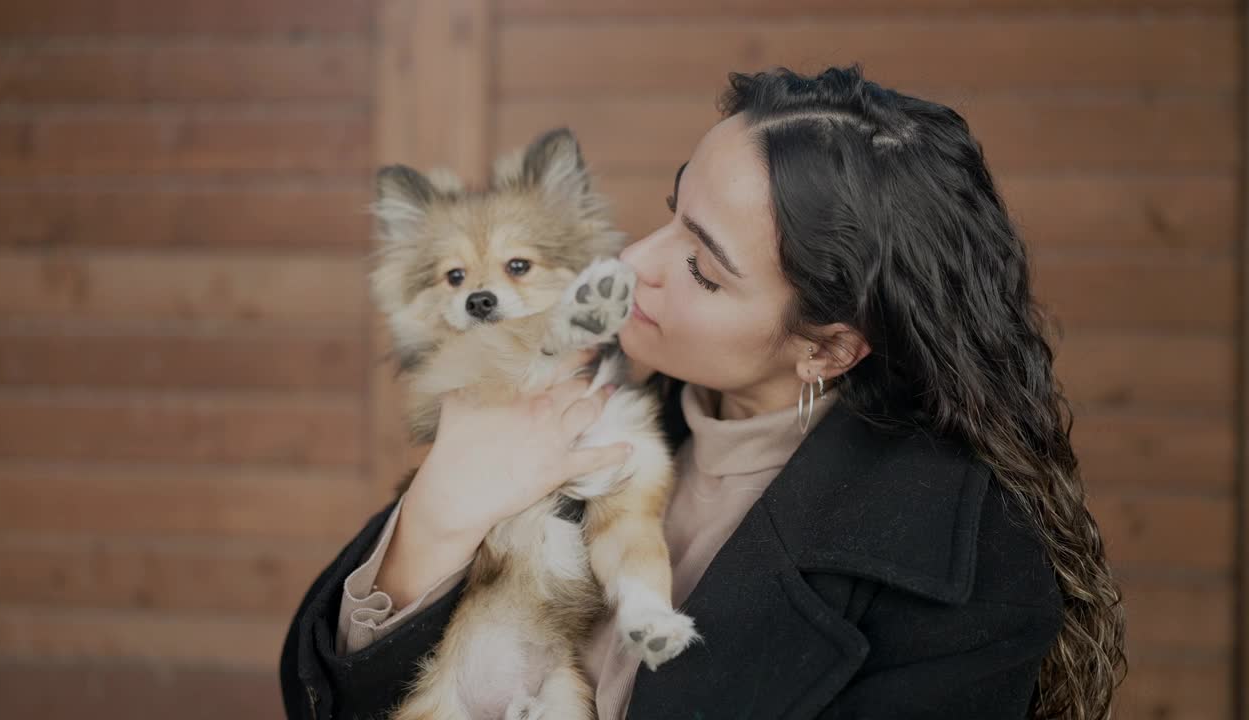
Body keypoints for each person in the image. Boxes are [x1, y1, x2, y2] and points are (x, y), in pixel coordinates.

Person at [280, 65, 1127, 719]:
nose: (636, 261)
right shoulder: (582, 385)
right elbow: (330, 690)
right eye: (669, 211)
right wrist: (433, 521)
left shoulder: (965, 567)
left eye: (700, 267)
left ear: (825, 346)